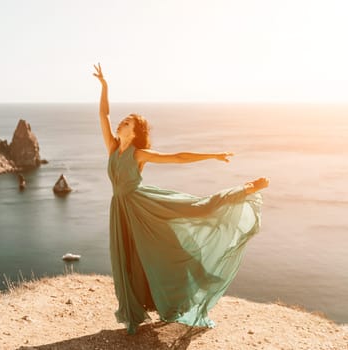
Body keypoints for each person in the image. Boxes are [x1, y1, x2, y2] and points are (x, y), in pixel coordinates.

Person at [93, 63, 269, 335]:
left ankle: (245, 190)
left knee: (197, 209)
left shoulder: (138, 154)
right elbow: (103, 115)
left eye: (126, 122)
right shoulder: (113, 148)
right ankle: (135, 310)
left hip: (142, 205)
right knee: (128, 260)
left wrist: (211, 155)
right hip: (120, 209)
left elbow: (177, 158)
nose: (120, 122)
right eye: (122, 120)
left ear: (135, 132)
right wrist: (105, 86)